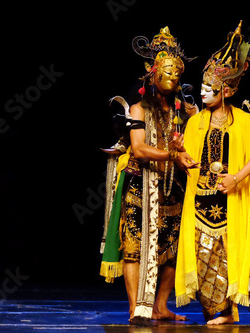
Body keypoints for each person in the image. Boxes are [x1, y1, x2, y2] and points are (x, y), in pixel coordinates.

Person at [174, 21, 250, 325]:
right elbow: (187, 159)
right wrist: (180, 157)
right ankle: (213, 310)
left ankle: (229, 313)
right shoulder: (194, 122)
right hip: (200, 199)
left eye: (209, 89)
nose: (203, 93)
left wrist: (236, 178)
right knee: (202, 259)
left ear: (226, 90)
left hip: (229, 199)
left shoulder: (243, 120)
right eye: (202, 87)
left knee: (227, 257)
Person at [100, 27, 198, 324]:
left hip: (173, 186)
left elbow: (198, 137)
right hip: (140, 185)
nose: (173, 81)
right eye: (167, 73)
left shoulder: (184, 111)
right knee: (135, 246)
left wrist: (185, 151)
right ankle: (135, 308)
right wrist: (171, 153)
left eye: (177, 75)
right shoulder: (138, 109)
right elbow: (140, 149)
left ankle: (160, 306)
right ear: (152, 73)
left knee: (171, 248)